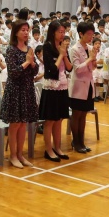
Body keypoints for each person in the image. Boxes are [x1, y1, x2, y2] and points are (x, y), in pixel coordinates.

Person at [0, 20, 38, 169]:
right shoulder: (11, 50)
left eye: (27, 30)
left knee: (23, 124)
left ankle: (21, 154)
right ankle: (13, 155)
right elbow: (13, 72)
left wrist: (32, 63)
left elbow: (35, 71)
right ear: (16, 32)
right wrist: (27, 62)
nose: (26, 32)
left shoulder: (29, 48)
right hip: (15, 89)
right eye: (23, 30)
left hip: (27, 88)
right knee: (15, 124)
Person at [39, 21, 72, 162]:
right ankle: (48, 150)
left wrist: (64, 54)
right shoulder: (47, 46)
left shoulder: (63, 46)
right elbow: (52, 69)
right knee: (50, 120)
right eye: (60, 32)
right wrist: (60, 55)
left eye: (64, 32)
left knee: (59, 119)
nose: (62, 34)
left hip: (63, 85)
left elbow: (69, 68)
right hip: (51, 86)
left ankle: (57, 148)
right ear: (53, 32)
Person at [68, 22, 97, 153]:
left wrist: (94, 61)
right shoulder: (74, 49)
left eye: (92, 34)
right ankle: (76, 141)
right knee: (76, 115)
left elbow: (92, 67)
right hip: (78, 86)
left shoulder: (90, 48)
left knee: (84, 115)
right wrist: (90, 59)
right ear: (81, 34)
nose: (91, 37)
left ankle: (81, 141)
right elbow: (78, 69)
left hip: (89, 85)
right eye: (89, 34)